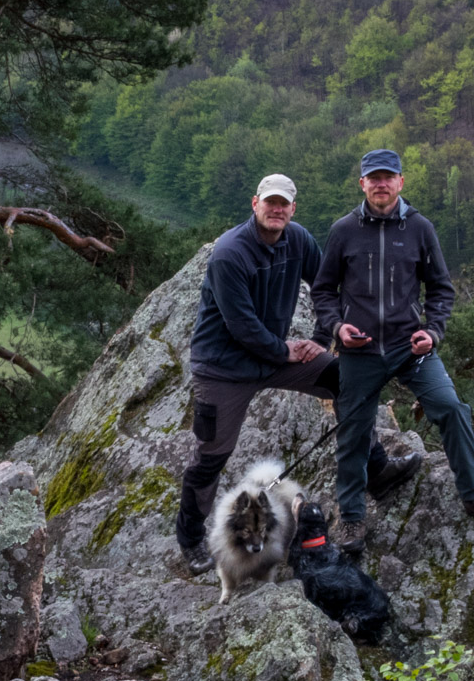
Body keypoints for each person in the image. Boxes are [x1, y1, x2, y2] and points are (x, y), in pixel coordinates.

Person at [177, 173, 422, 573]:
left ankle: (375, 469)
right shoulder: (229, 254)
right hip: (224, 367)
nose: (276, 209)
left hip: (276, 356)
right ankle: (189, 538)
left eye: (283, 203)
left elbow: (327, 286)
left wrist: (322, 337)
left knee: (346, 381)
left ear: (293, 208)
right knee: (211, 455)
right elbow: (241, 325)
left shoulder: (299, 240)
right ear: (254, 204)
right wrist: (285, 349)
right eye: (269, 202)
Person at [313, 149, 474, 553]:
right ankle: (351, 520)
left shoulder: (420, 228)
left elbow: (440, 288)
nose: (381, 184)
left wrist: (433, 333)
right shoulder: (344, 230)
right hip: (360, 350)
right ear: (362, 183)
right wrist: (337, 327)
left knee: (451, 409)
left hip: (410, 346)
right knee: (353, 431)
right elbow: (323, 290)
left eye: (389, 177)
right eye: (374, 178)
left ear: (401, 182)